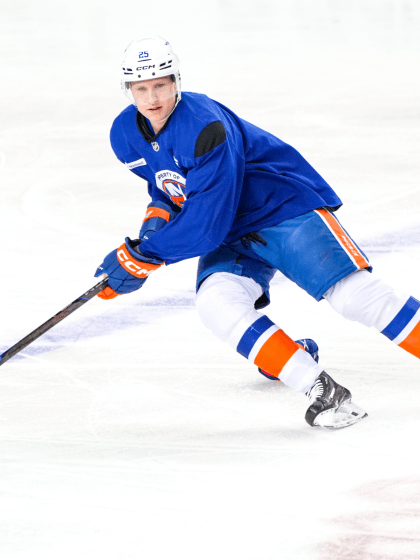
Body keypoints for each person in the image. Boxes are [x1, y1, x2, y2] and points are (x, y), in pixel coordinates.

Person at [95, 37, 420, 429]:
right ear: (128, 89)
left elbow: (205, 225)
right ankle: (316, 385)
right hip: (234, 227)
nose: (152, 97)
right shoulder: (125, 134)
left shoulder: (204, 127)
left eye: (161, 84)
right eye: (141, 88)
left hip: (280, 207)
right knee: (217, 302)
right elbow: (168, 188)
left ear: (176, 81)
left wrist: (142, 258)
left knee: (353, 297)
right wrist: (149, 235)